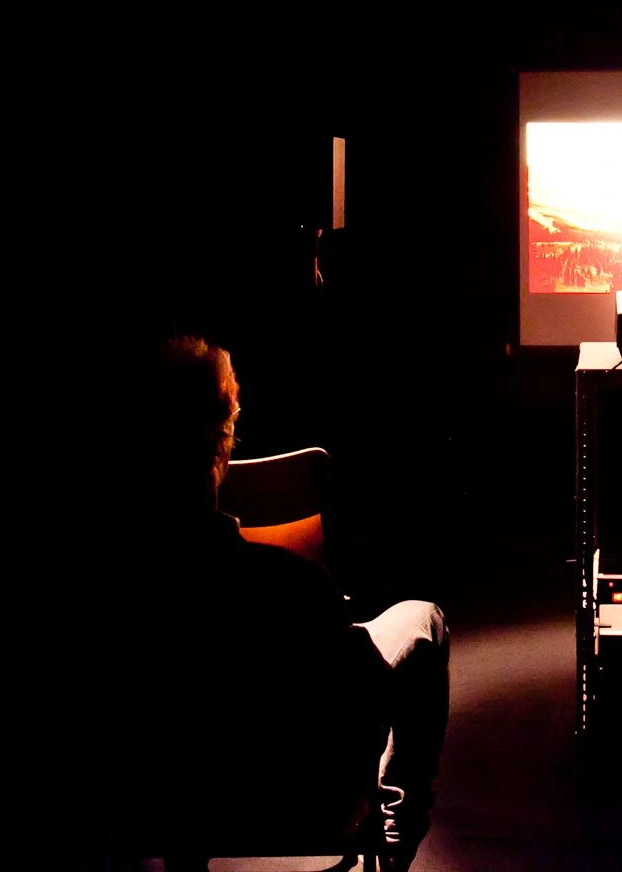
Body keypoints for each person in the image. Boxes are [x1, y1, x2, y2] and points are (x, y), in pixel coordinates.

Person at [95, 336, 449, 872]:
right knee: (422, 619)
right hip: (305, 804)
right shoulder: (289, 585)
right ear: (221, 444)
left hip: (154, 803)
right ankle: (395, 837)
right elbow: (365, 696)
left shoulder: (110, 592)